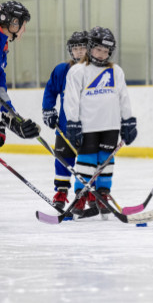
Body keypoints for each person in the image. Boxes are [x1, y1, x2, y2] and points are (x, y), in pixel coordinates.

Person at [63, 26, 137, 219]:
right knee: (86, 162)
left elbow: (123, 97)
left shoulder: (116, 71)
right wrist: (73, 122)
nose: (102, 54)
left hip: (110, 125)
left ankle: (103, 194)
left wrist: (128, 121)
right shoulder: (78, 71)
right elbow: (71, 99)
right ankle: (81, 195)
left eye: (106, 51)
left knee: (106, 161)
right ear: (90, 47)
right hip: (88, 126)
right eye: (98, 49)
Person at [42, 31, 88, 209]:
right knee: (62, 159)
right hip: (65, 126)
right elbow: (50, 89)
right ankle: (61, 191)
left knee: (87, 162)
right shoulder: (62, 70)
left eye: (82, 48)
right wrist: (48, 110)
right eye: (75, 48)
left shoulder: (95, 71)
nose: (78, 52)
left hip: (89, 128)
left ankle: (86, 193)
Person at [0, 0, 40, 145]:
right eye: (23, 25)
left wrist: (9, 115)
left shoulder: (2, 44)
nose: (24, 30)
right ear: (14, 22)